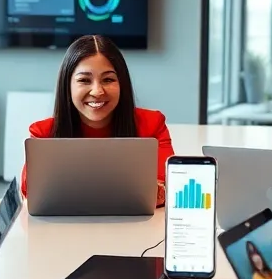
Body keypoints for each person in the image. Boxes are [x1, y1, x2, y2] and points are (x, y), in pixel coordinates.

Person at [21, 35, 173, 205]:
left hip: (132, 225)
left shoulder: (152, 124)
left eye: (108, 79)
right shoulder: (43, 133)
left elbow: (168, 186)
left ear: (122, 83)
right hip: (67, 227)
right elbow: (31, 192)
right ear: (67, 85)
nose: (97, 91)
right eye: (84, 80)